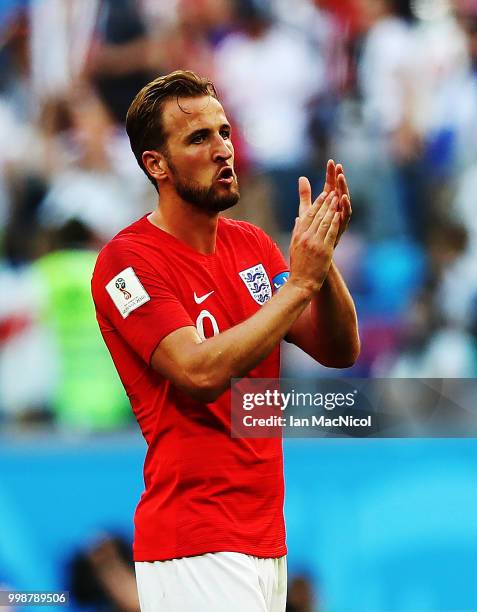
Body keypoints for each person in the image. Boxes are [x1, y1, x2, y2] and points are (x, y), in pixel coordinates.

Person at [91, 70, 360, 612]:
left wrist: (320, 260)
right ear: (156, 165)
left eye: (225, 133)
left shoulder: (252, 245)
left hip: (264, 535)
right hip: (194, 539)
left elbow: (338, 349)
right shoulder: (129, 262)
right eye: (198, 138)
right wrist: (302, 282)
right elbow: (197, 371)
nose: (223, 150)